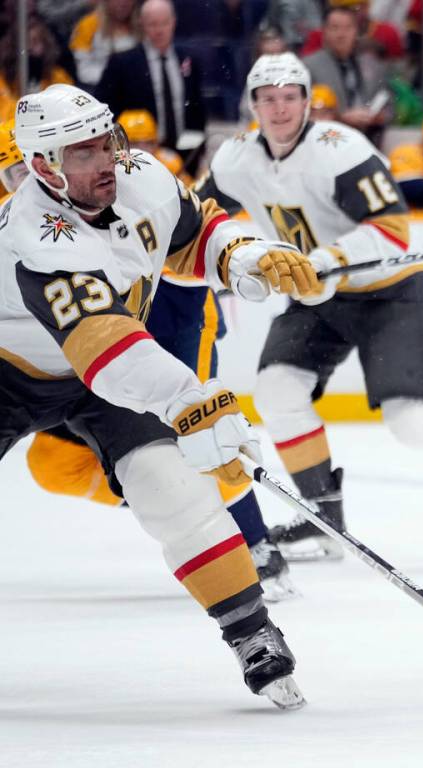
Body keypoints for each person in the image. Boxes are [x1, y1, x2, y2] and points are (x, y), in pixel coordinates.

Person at [1, 84, 322, 705]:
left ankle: (252, 634)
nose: (107, 161)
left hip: (106, 371)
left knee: (175, 489)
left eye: (107, 142)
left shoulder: (139, 174)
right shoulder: (34, 232)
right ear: (43, 165)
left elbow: (192, 236)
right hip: (13, 369)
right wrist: (185, 398)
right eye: (84, 152)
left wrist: (246, 257)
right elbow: (101, 344)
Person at [195, 54, 423, 562]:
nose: (280, 108)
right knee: (276, 390)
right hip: (316, 296)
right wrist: (234, 261)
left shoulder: (340, 149)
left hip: (389, 291)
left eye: (290, 97)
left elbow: (392, 228)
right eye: (268, 99)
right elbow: (199, 223)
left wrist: (329, 258)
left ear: (308, 102)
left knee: (412, 419)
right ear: (252, 105)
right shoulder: (234, 159)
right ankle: (323, 520)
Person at [96, 0, 206, 153]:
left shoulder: (188, 61)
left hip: (184, 154)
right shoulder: (122, 63)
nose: (159, 30)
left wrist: (197, 152)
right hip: (140, 153)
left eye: (164, 23)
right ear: (142, 24)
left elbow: (197, 111)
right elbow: (106, 109)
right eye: (153, 24)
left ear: (173, 22)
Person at [302, 5, 393, 143]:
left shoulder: (372, 65)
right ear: (324, 31)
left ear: (356, 31)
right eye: (335, 27)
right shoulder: (308, 66)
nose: (341, 34)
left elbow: (388, 103)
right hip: (327, 139)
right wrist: (341, 117)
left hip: (368, 138)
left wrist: (379, 116)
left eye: (348, 28)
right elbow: (302, 112)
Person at [69, 0, 140, 89]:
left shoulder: (142, 22)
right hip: (99, 88)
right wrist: (116, 78)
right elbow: (84, 71)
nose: (123, 3)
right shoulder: (88, 25)